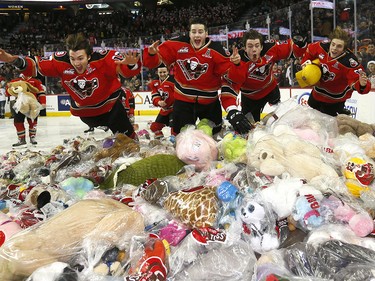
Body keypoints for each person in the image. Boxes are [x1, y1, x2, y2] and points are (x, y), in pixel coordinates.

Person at [0, 32, 141, 139]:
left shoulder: (104, 58)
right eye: (73, 58)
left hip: (111, 110)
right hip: (86, 114)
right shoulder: (60, 61)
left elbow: (125, 70)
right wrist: (13, 60)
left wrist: (131, 64)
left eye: (81, 58)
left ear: (89, 56)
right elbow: (34, 65)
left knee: (130, 141)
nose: (76, 63)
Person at [143, 17, 252, 135]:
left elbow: (234, 79)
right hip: (182, 102)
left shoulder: (218, 50)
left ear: (206, 34)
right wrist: (151, 54)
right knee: (181, 138)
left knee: (214, 135)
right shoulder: (176, 44)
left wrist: (236, 64)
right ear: (189, 33)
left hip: (209, 103)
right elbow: (152, 63)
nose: (197, 35)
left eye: (200, 32)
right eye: (193, 32)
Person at [227, 29, 307, 122]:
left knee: (280, 120)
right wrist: (235, 65)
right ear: (244, 48)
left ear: (261, 47)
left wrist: (301, 45)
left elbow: (294, 51)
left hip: (271, 90)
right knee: (250, 128)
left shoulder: (270, 48)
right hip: (250, 98)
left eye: (257, 46)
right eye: (250, 46)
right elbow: (233, 84)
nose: (254, 49)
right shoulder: (238, 60)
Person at [300, 27, 371, 116]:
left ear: (344, 48)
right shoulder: (322, 47)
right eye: (333, 44)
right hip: (317, 92)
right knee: (311, 107)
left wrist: (362, 84)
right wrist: (305, 63)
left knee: (327, 122)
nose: (334, 48)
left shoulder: (350, 62)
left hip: (335, 99)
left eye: (339, 46)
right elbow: (310, 50)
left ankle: (341, 110)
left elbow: (358, 80)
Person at [6, 74, 46, 146]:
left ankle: (32, 137)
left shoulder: (35, 81)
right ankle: (21, 139)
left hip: (32, 104)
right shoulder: (15, 81)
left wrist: (43, 102)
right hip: (19, 105)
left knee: (33, 122)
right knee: (18, 122)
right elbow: (9, 93)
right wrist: (8, 87)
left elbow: (40, 92)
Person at [148, 63, 175, 139]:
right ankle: (161, 142)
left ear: (168, 72)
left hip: (174, 109)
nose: (162, 74)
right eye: (160, 72)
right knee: (154, 127)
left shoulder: (173, 81)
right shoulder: (155, 83)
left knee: (174, 128)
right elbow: (155, 95)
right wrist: (158, 102)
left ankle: (177, 143)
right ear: (157, 72)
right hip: (164, 110)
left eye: (164, 72)